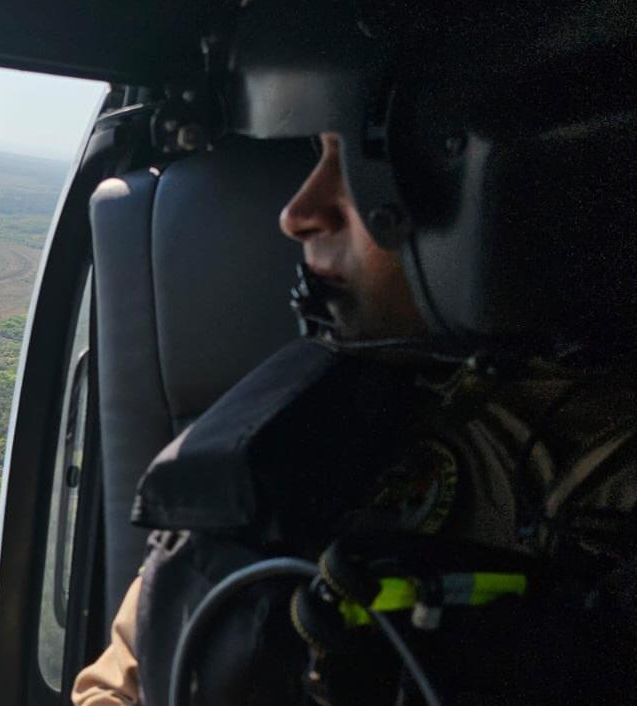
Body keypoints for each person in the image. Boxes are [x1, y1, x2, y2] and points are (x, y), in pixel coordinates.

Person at [70, 132, 637, 706]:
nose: (298, 214)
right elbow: (116, 687)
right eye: (319, 156)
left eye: (366, 162)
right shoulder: (309, 432)